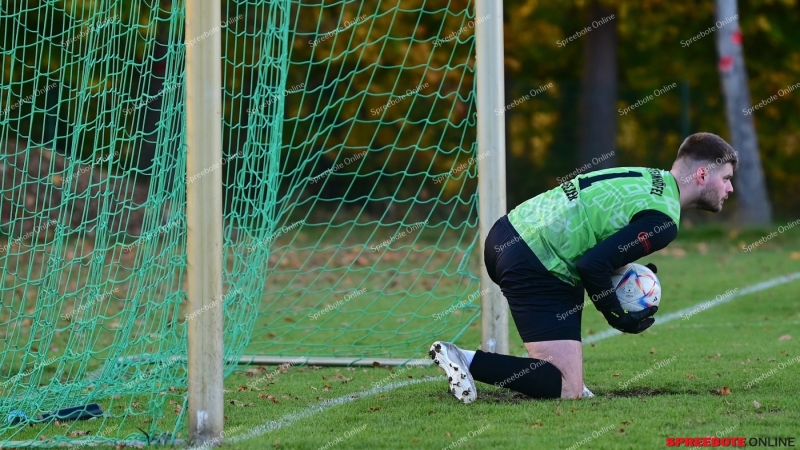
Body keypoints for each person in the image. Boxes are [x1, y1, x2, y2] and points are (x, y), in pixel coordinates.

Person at [429, 132, 737, 403]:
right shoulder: (664, 220)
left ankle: (569, 378)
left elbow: (597, 235)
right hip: (534, 260)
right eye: (725, 178)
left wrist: (626, 269)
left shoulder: (649, 178)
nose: (730, 188)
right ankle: (464, 359)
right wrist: (619, 317)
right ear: (701, 174)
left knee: (572, 380)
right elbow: (592, 265)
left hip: (508, 234)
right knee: (565, 388)